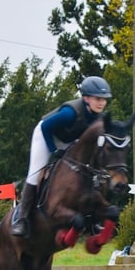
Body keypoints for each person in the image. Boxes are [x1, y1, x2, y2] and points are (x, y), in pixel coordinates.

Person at [12, 75, 113, 237]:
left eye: (104, 99)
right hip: (47, 136)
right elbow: (46, 127)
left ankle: (92, 220)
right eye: (98, 99)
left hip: (69, 138)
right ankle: (22, 220)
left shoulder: (99, 117)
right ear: (86, 98)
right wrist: (53, 150)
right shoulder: (69, 113)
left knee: (89, 172)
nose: (102, 103)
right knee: (36, 172)